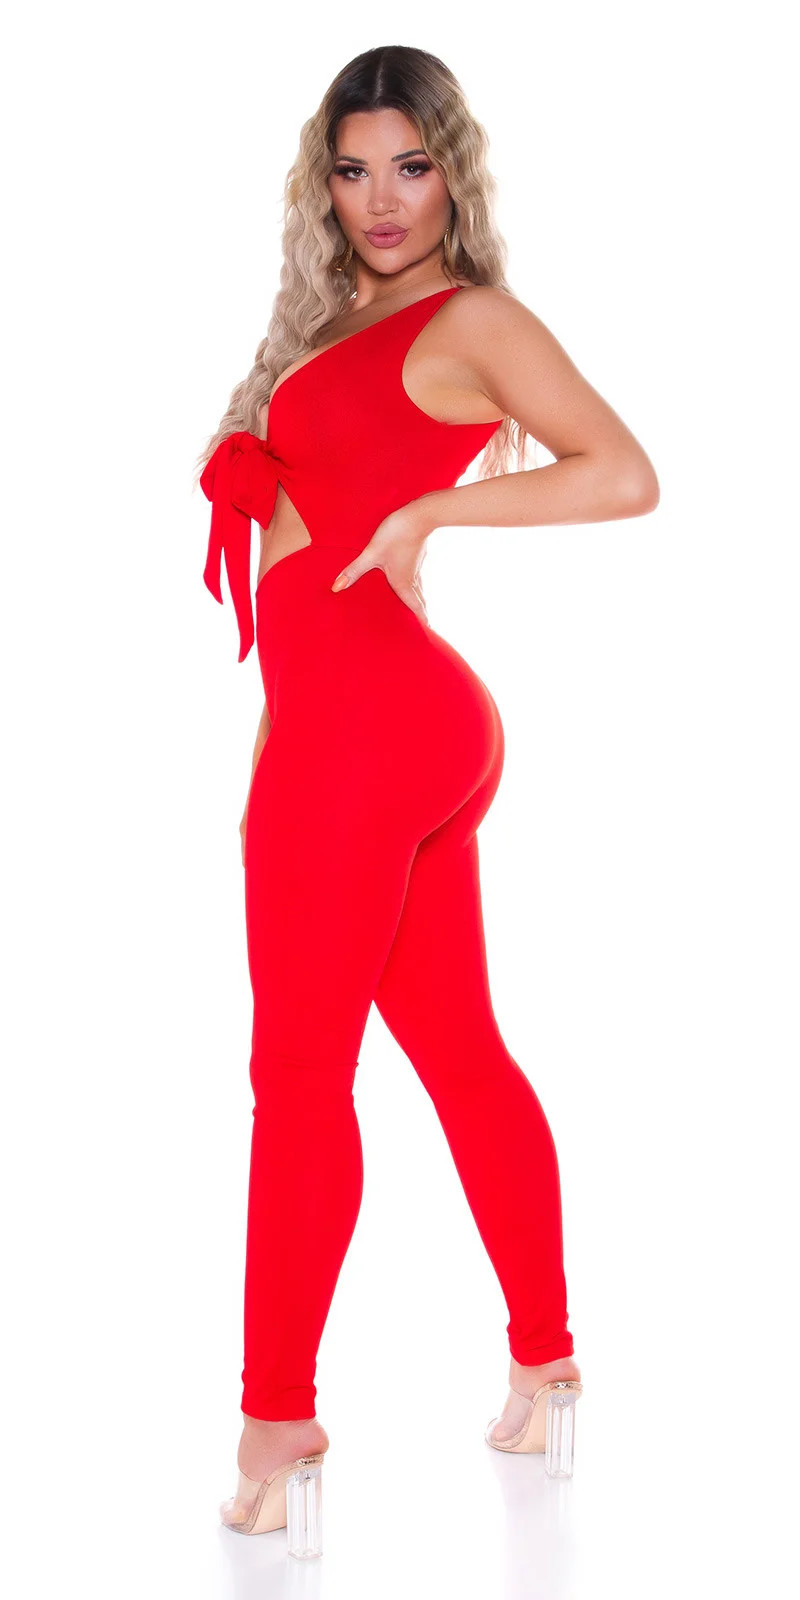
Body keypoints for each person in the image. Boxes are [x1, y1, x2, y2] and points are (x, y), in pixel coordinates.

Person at [195, 44, 659, 1540]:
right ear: (322, 185)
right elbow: (299, 570)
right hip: (365, 727)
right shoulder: (339, 319)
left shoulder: (472, 319)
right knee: (458, 1050)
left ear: (453, 170)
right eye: (353, 169)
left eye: (411, 165)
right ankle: (547, 1361)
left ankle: (278, 1423)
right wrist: (272, 749)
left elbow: (623, 473)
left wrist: (434, 512)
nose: (383, 198)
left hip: (374, 732)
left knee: (298, 1079)